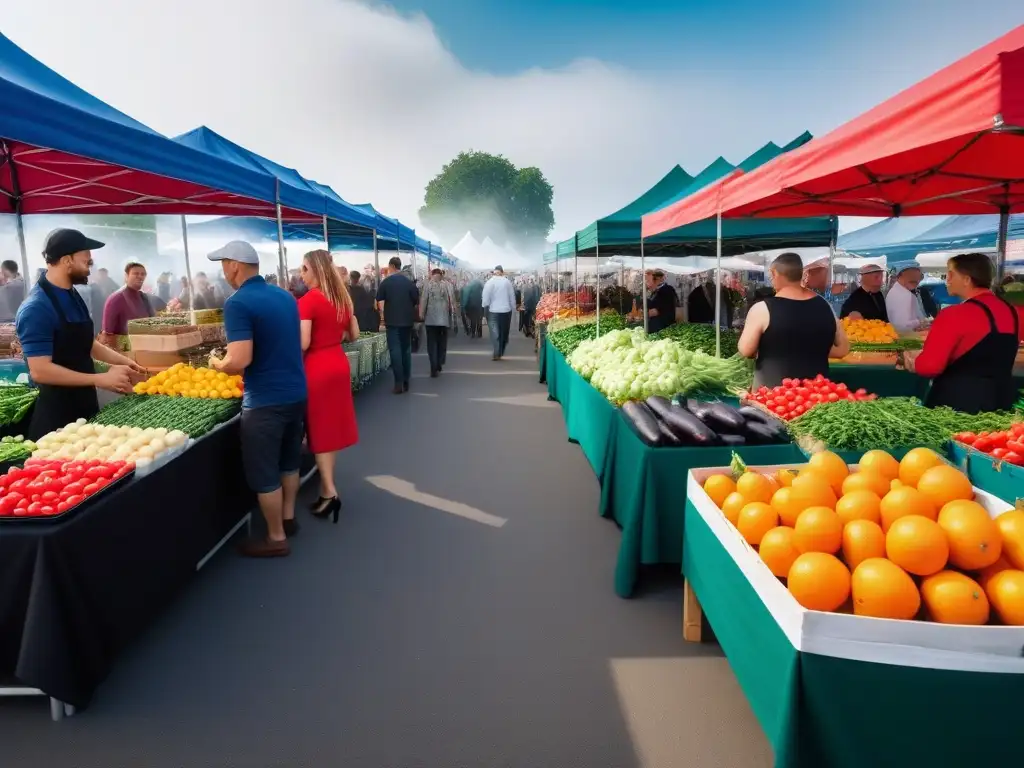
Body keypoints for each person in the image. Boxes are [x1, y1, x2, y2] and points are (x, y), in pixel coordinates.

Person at [207, 241, 307, 557]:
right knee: (289, 462)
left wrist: (216, 363)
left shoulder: (237, 303)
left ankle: (276, 537)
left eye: (223, 263)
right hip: (296, 393)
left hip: (264, 400)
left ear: (235, 265)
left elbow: (240, 359)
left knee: (265, 472)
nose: (222, 270)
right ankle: (288, 518)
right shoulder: (285, 296)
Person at [15, 229, 145, 439]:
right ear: (67, 260)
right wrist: (100, 378)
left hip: (85, 407)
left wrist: (128, 363)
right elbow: (40, 371)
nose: (90, 266)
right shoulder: (36, 308)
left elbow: (87, 343)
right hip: (56, 421)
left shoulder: (73, 295)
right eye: (86, 262)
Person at [904, 253, 1023, 413]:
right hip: (1000, 404)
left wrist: (913, 360)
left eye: (951, 274)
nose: (947, 279)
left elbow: (930, 367)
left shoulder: (954, 314)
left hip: (957, 407)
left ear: (967, 279)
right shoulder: (1013, 312)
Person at [298, 250, 359, 522]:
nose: (301, 274)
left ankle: (330, 491)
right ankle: (326, 489)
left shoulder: (309, 300)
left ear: (316, 271)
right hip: (338, 363)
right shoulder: (342, 298)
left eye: (304, 269)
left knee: (320, 429)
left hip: (317, 367)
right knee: (330, 429)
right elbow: (353, 335)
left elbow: (303, 343)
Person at [738, 252, 850, 388]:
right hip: (815, 395)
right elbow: (843, 349)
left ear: (774, 274)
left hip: (772, 397)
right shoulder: (826, 306)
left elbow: (745, 350)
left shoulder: (761, 309)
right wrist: (810, 348)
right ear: (800, 275)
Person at [376, 256, 419, 394]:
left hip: (392, 321)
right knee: (406, 350)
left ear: (391, 266)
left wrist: (383, 315)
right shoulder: (409, 283)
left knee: (395, 350)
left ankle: (398, 382)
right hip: (407, 321)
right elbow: (415, 300)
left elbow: (379, 301)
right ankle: (406, 379)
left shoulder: (385, 283)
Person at [100, 262, 155, 346]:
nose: (140, 276)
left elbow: (152, 322)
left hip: (145, 348)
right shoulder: (115, 299)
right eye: (135, 273)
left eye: (143, 274)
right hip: (124, 352)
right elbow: (108, 334)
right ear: (126, 276)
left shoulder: (143, 297)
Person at [420, 268, 455, 377]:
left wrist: (421, 314)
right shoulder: (447, 285)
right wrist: (453, 314)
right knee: (442, 343)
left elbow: (424, 300)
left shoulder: (427, 285)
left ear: (432, 274)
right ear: (441, 275)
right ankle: (439, 362)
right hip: (444, 320)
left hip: (430, 320)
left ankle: (433, 366)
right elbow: (452, 300)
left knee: (432, 344)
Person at [482, 265, 516, 360]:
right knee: (504, 332)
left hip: (493, 311)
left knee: (494, 332)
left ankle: (497, 352)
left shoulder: (489, 282)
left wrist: (485, 307)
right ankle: (501, 350)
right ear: (502, 272)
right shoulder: (507, 282)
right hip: (506, 311)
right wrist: (513, 308)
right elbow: (511, 297)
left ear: (494, 272)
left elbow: (485, 298)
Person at [885, 261, 929, 332]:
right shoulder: (905, 295)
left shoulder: (893, 291)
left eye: (919, 277)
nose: (917, 281)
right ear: (900, 275)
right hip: (909, 337)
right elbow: (903, 325)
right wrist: (921, 322)